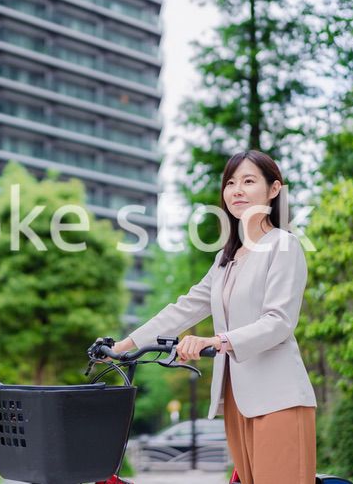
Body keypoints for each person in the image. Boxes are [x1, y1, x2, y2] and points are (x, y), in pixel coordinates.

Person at [112, 150, 317, 484]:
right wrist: (126, 344)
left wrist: (217, 340)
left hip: (278, 398)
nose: (236, 190)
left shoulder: (283, 245)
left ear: (274, 189)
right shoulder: (227, 258)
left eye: (249, 181)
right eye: (231, 182)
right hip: (237, 399)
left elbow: (279, 322)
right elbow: (186, 307)